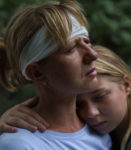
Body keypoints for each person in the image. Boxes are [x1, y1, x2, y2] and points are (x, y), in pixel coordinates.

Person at [0, 1, 112, 150]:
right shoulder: (20, 144)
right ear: (37, 73)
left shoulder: (103, 124)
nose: (93, 55)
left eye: (86, 41)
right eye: (71, 49)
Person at [1, 45, 131, 150]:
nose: (91, 113)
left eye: (100, 97)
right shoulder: (110, 130)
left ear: (126, 85)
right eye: (78, 104)